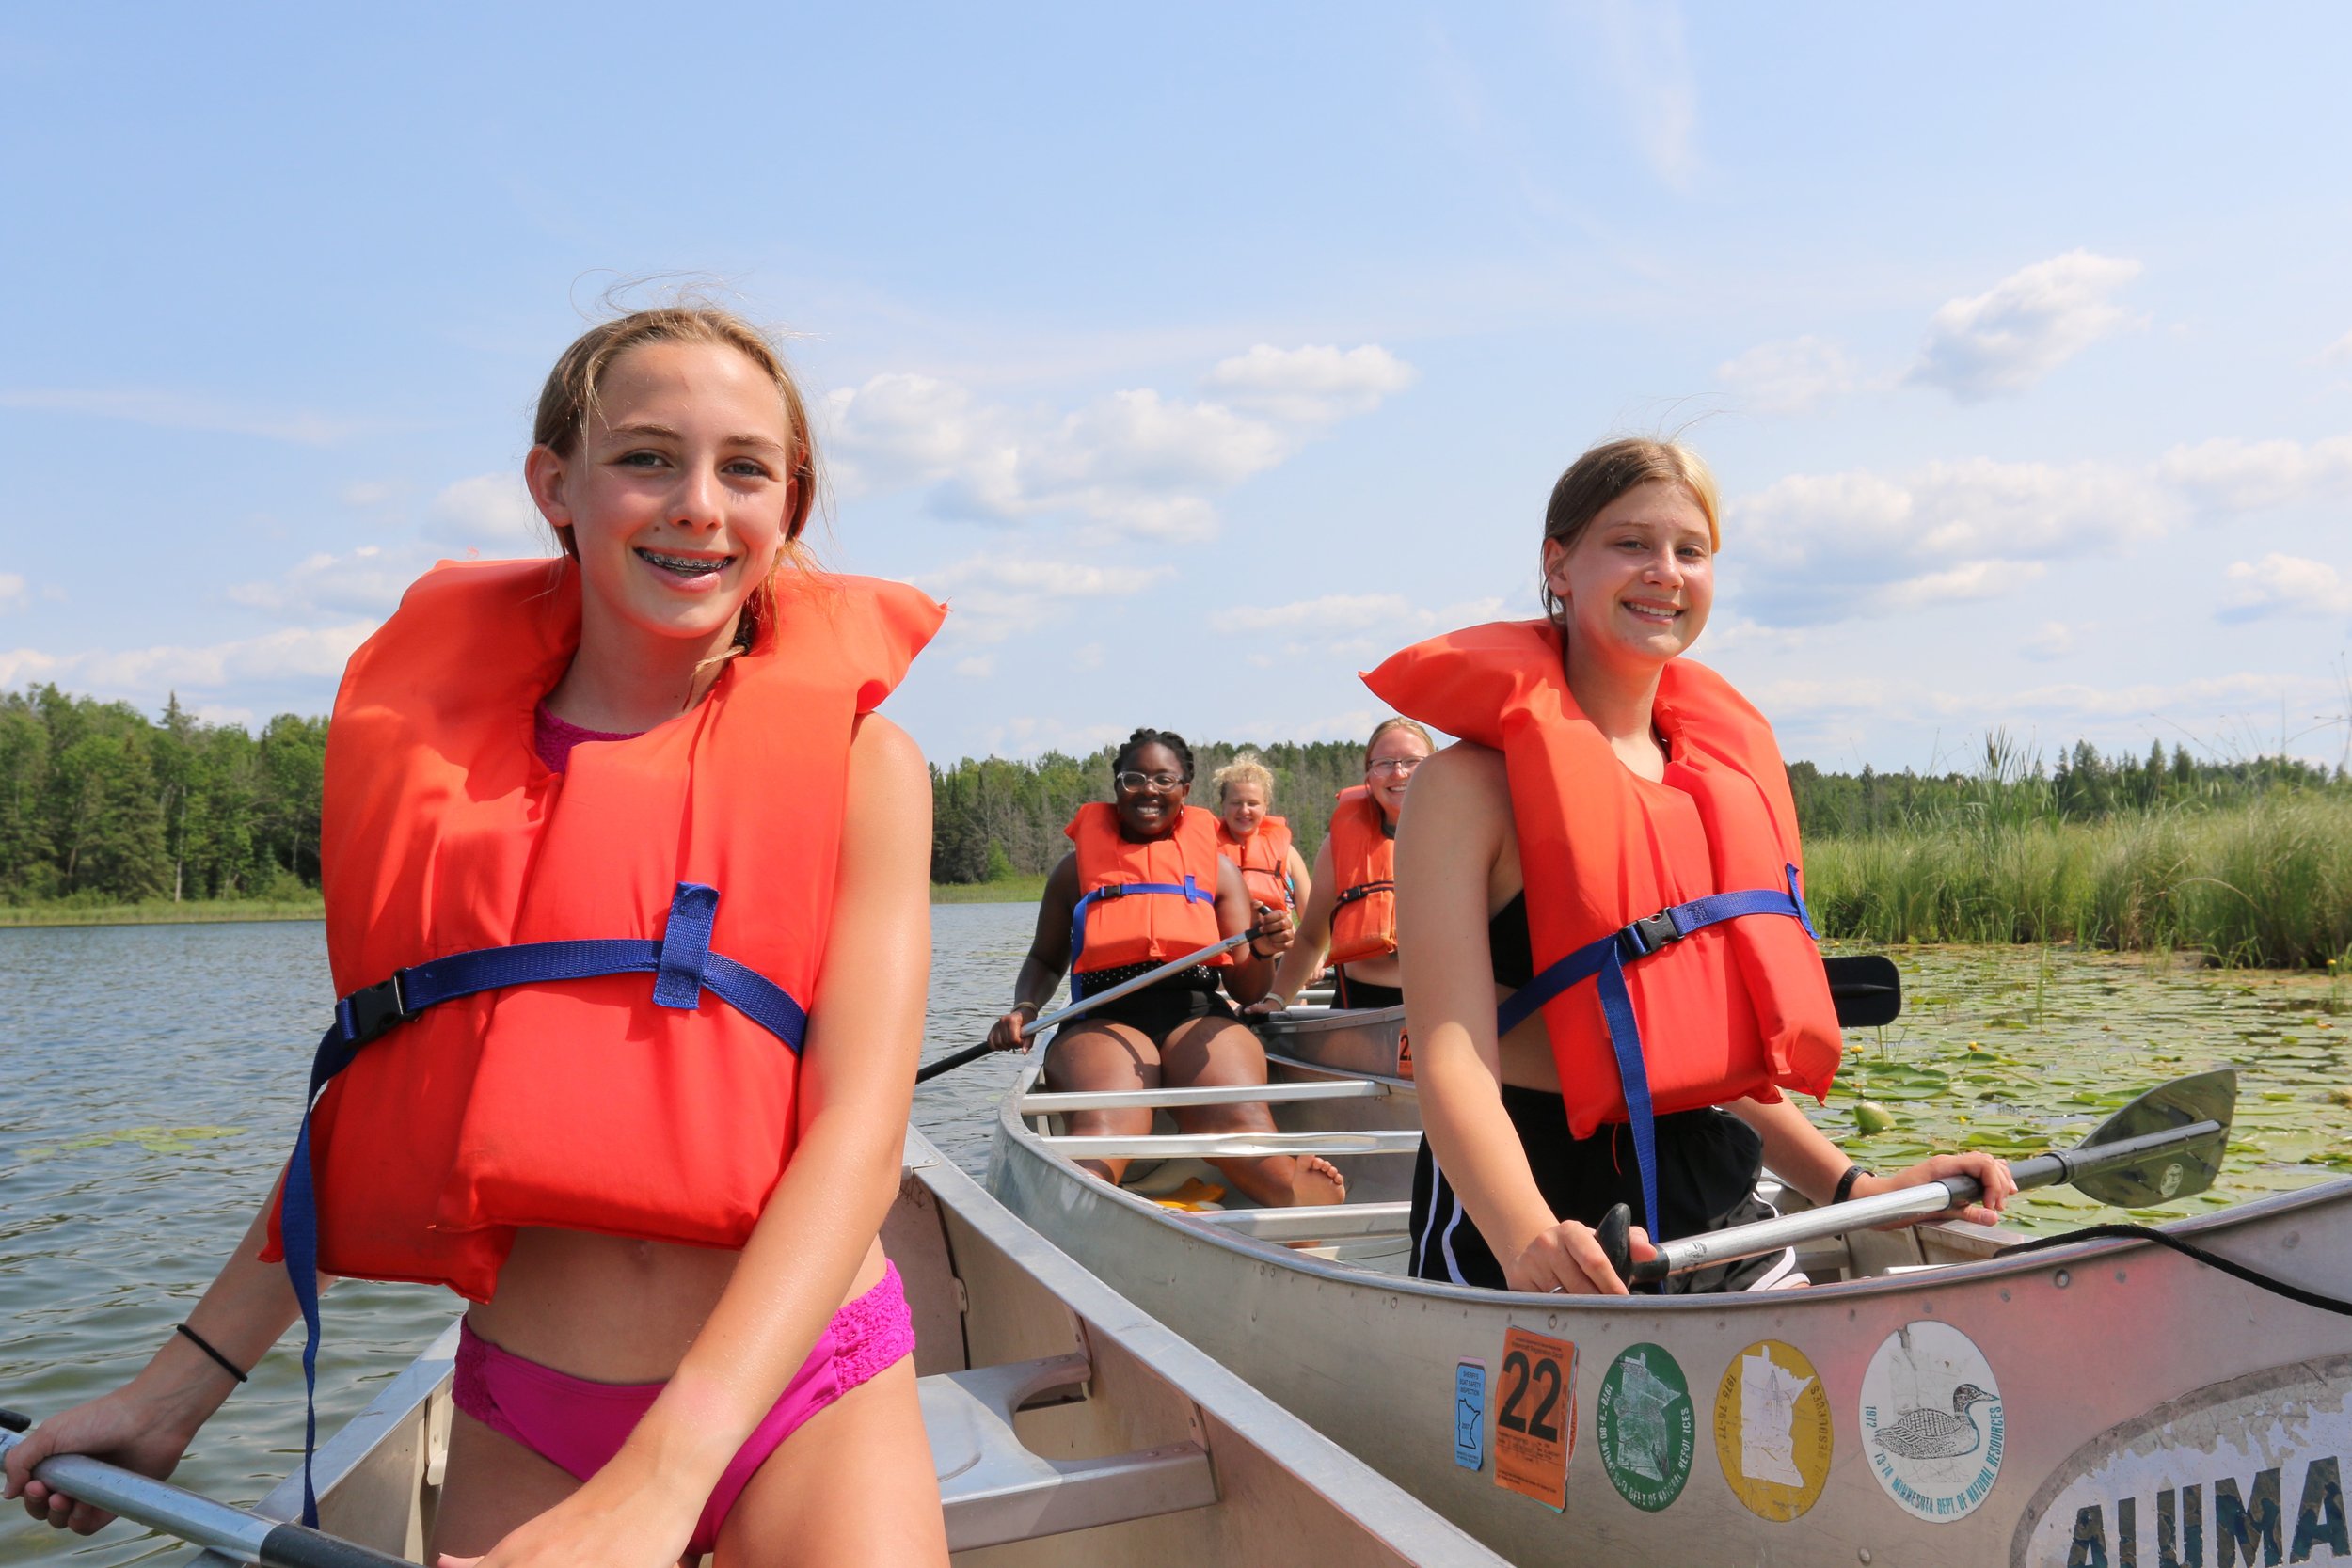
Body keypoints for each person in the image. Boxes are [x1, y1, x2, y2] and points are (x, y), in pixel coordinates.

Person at [5, 306, 953, 1566]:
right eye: (647, 457)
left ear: (792, 499)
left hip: (800, 1390)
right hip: (537, 1399)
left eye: (744, 467)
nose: (697, 506)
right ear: (554, 486)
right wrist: (171, 1393)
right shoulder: (445, 770)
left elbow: (858, 1136)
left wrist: (664, 1481)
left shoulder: (864, 763)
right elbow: (382, 1114)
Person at [1368, 436, 2016, 1296]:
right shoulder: (1464, 788)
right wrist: (1526, 1235)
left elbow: (1699, 1040)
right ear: (1558, 565)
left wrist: (1857, 1188)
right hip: (1525, 1185)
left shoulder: (1713, 778)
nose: (1665, 572)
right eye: (1631, 544)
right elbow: (1452, 1058)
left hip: (1704, 1179)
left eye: (1691, 550)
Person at [986, 729, 1346, 1209]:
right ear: (1116, 785)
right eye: (1134, 778)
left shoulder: (1218, 872)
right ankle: (1079, 1205)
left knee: (1241, 1116)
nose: (1149, 790)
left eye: (1164, 779)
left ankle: (1288, 1186)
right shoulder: (1074, 870)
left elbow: (1243, 982)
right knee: (1109, 1121)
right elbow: (1044, 959)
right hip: (1103, 1017)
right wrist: (1025, 1006)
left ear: (1186, 790)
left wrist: (1261, 953)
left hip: (1197, 1012)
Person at [1248, 719, 1435, 1013]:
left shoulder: (1464, 837)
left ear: (1434, 769)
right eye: (1384, 763)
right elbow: (1310, 938)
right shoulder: (1338, 845)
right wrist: (1276, 1000)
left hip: (1445, 1007)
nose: (1399, 772)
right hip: (1362, 1008)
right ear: (1369, 776)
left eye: (1413, 761)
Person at [1210, 752, 1312, 921]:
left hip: (1279, 944)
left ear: (1265, 807)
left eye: (1252, 803)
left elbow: (1311, 920)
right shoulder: (1207, 851)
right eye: (1236, 803)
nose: (1244, 811)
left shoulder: (1289, 855)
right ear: (1223, 806)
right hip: (1226, 943)